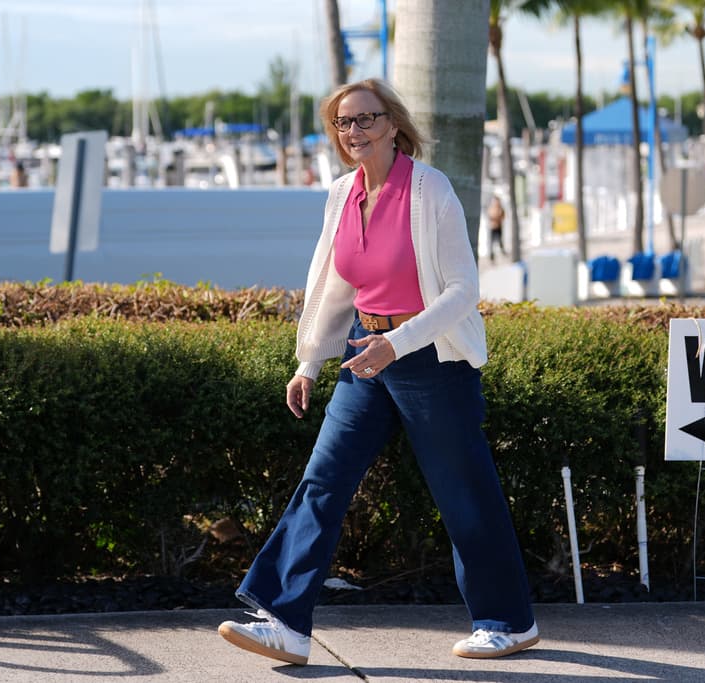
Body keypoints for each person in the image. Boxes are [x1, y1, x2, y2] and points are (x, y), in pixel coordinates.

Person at [218, 78, 538, 666]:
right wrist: (309, 361)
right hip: (364, 351)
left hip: (429, 355)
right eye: (344, 123)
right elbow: (332, 282)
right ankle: (286, 622)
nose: (355, 131)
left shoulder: (429, 189)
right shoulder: (341, 193)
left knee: (464, 493)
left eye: (367, 119)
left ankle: (507, 623)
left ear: (393, 124)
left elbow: (465, 289)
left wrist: (398, 343)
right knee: (324, 480)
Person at [486, 194, 506, 261]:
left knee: (500, 240)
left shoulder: (500, 208)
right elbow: (491, 215)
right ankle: (492, 256)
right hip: (493, 227)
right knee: (492, 242)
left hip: (499, 226)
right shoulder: (492, 207)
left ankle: (502, 252)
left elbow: (503, 216)